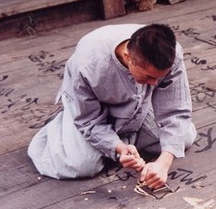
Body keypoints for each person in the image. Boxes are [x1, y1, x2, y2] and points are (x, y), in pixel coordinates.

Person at [27, 23, 197, 190]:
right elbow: (89, 119)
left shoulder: (171, 53)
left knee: (185, 136)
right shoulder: (87, 63)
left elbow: (176, 110)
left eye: (159, 78)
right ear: (128, 56)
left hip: (136, 107)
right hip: (90, 111)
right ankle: (62, 126)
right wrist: (117, 147)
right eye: (149, 77)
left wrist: (163, 163)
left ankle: (122, 138)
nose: (155, 83)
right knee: (83, 164)